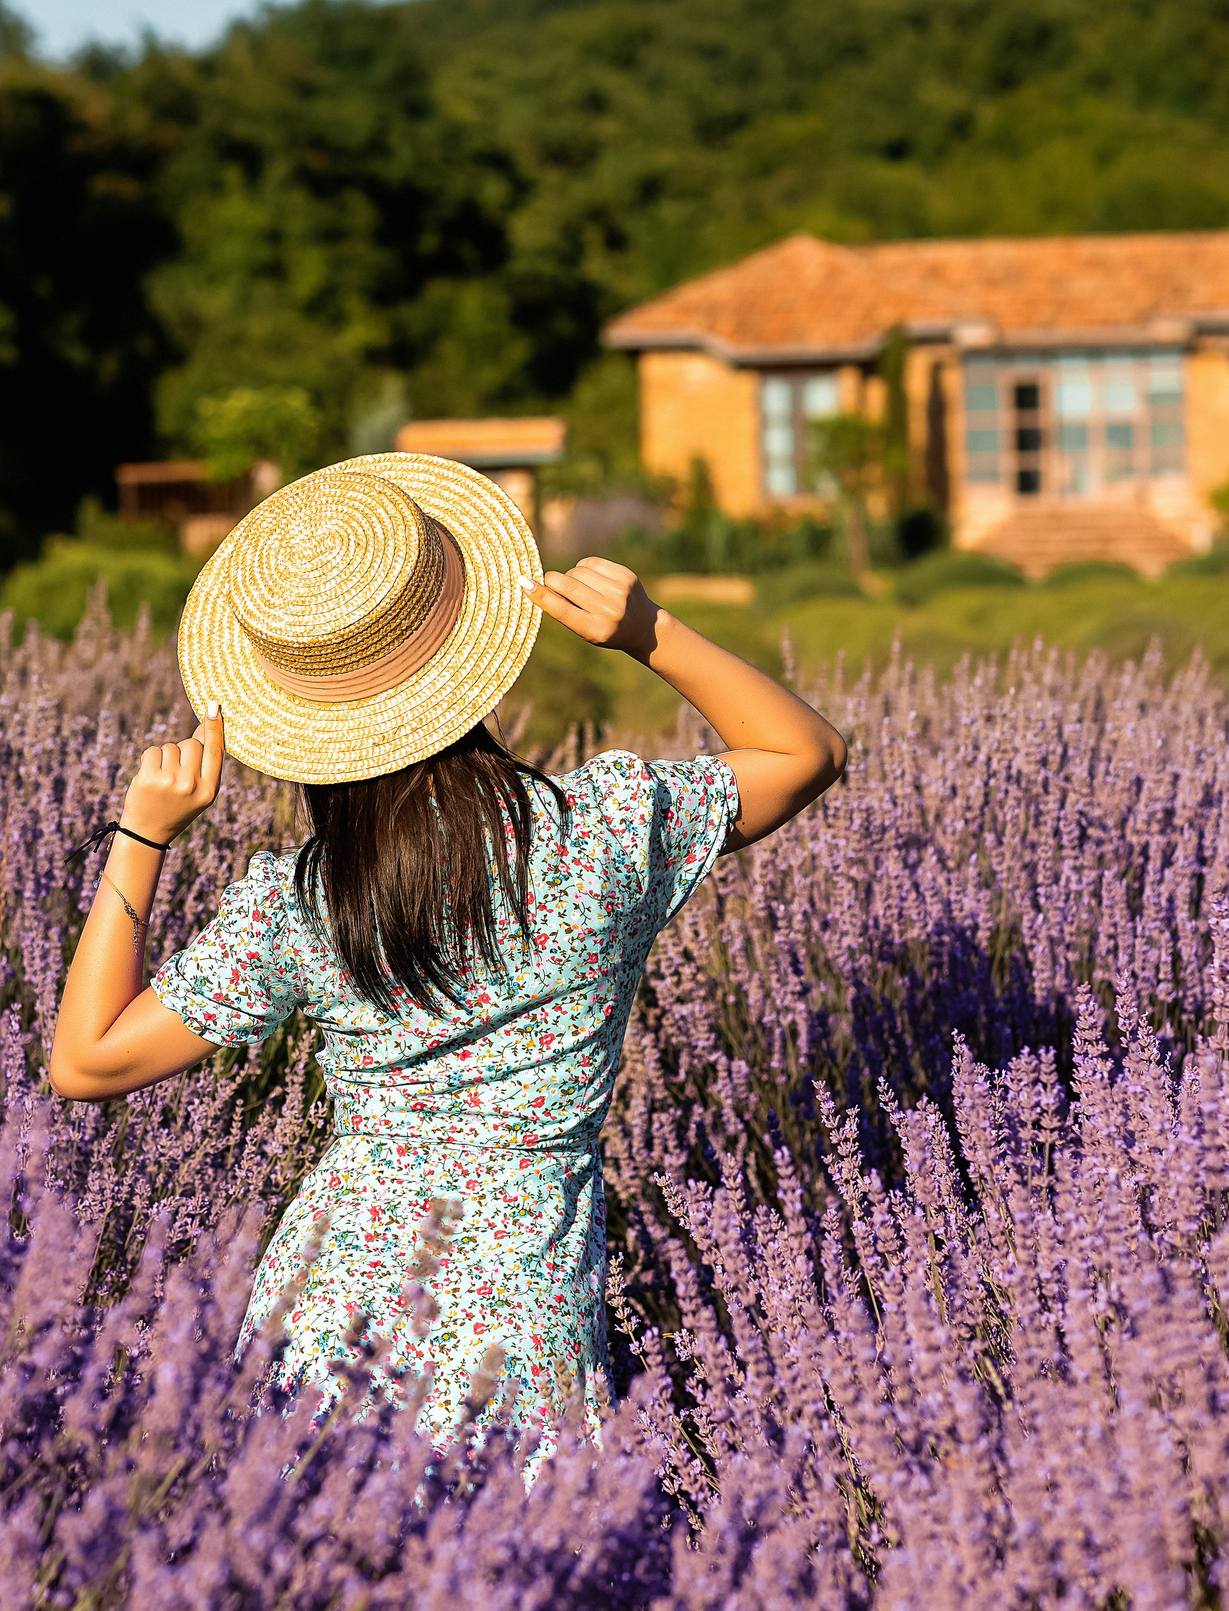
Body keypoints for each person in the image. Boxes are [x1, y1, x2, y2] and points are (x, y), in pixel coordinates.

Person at [47, 453, 845, 1461]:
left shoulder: (301, 904)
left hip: (329, 1304)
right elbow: (805, 754)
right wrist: (649, 632)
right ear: (466, 656)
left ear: (306, 727)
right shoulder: (603, 831)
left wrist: (143, 833)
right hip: (521, 1300)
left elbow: (86, 1060)